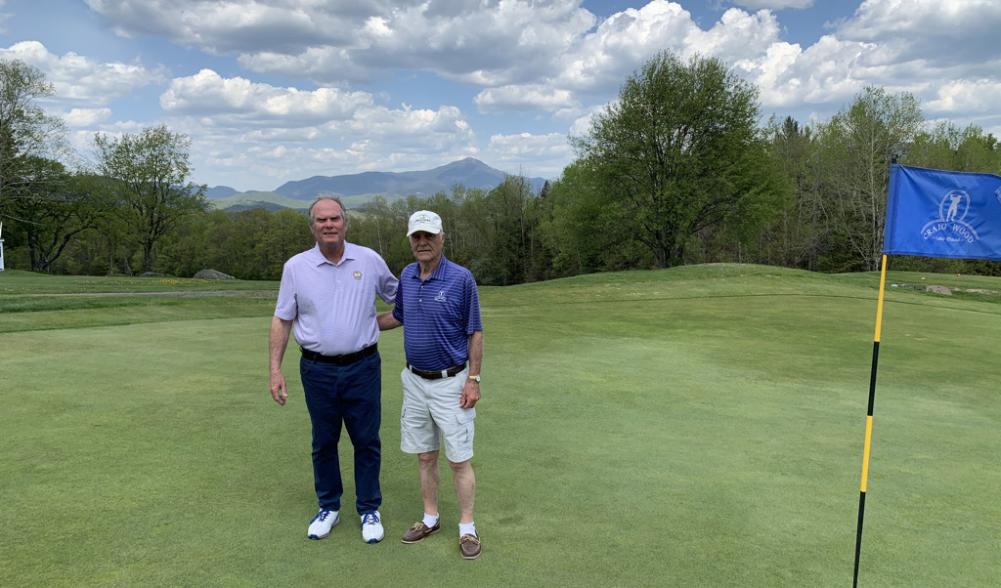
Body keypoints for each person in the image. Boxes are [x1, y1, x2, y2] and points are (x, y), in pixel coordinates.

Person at [269, 196, 398, 544]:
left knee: (366, 440)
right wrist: (275, 370)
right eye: (321, 220)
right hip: (317, 369)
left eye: (335, 218)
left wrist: (375, 324)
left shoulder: (369, 260)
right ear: (312, 226)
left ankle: (369, 508)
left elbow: (401, 300)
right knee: (324, 441)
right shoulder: (296, 267)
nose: (329, 225)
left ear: (345, 223)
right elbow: (283, 319)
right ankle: (329, 506)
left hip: (363, 366)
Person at [378, 210, 484, 560]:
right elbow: (398, 317)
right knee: (425, 456)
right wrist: (358, 325)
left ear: (442, 238)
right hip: (414, 382)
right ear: (410, 241)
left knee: (458, 460)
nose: (422, 243)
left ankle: (467, 527)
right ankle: (430, 518)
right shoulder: (407, 276)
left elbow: (475, 331)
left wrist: (473, 379)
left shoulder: (460, 278)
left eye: (429, 236)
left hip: (451, 382)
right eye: (416, 237)